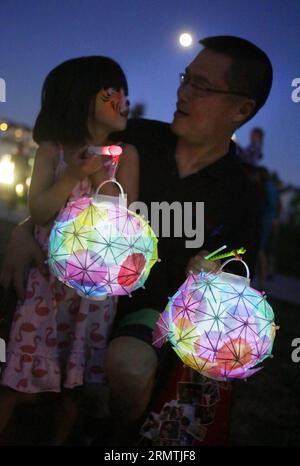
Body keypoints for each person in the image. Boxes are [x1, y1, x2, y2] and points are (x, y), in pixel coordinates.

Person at [0, 35, 273, 445]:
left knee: (128, 364)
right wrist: (24, 230)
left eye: (201, 86)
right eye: (186, 78)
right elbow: (63, 182)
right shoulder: (135, 139)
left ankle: (118, 437)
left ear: (241, 109)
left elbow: (236, 276)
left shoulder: (240, 196)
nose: (182, 92)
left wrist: (211, 273)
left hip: (145, 314)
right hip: (72, 290)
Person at [0, 56, 138, 445]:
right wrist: (72, 176)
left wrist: (95, 175)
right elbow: (40, 210)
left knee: (73, 386)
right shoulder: (52, 150)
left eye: (125, 92)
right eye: (113, 93)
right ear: (81, 99)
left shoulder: (125, 157)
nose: (124, 100)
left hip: (93, 291)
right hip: (44, 283)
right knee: (18, 369)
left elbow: (126, 221)